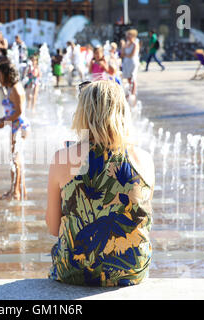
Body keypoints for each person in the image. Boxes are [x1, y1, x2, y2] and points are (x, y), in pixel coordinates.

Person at [46, 80, 155, 287]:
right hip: (131, 270)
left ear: (83, 112)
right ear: (122, 111)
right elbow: (143, 219)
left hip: (74, 271)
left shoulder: (62, 159)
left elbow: (53, 227)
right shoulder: (144, 160)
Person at [0, 63, 29, 201]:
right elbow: (14, 110)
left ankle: (15, 192)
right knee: (15, 159)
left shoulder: (16, 89)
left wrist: (4, 122)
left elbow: (19, 112)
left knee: (15, 160)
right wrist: (3, 119)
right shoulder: (12, 88)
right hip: (15, 125)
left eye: (0, 75)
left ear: (7, 75)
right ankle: (21, 189)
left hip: (19, 126)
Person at [121, 29, 140, 96]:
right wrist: (122, 46)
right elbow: (122, 54)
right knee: (128, 78)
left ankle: (133, 93)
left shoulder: (135, 44)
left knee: (133, 77)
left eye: (129, 35)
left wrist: (126, 55)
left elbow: (131, 54)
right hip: (126, 62)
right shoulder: (126, 44)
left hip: (132, 62)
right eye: (127, 36)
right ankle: (130, 91)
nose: (128, 37)